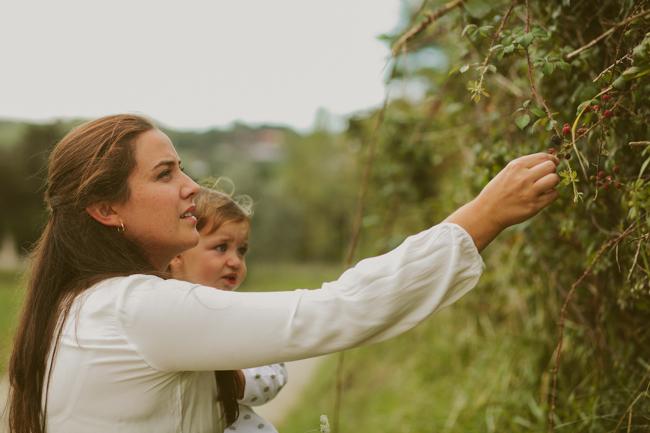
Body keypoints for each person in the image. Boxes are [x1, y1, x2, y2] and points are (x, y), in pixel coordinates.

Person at [7, 114, 560, 433]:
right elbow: (334, 311)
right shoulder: (134, 309)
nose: (192, 186)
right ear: (106, 209)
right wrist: (480, 218)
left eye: (183, 166)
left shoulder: (77, 306)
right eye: (165, 173)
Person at [169, 181, 287, 432]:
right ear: (177, 255)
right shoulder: (160, 311)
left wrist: (238, 380)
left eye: (241, 250)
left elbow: (275, 370)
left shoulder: (240, 313)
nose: (235, 261)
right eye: (221, 248)